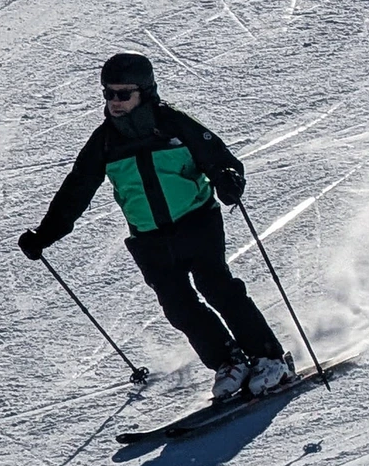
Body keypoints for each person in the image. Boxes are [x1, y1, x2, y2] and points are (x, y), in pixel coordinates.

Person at [19, 54, 294, 403]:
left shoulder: (173, 124)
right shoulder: (104, 142)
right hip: (149, 238)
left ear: (145, 92)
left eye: (123, 94)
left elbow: (218, 157)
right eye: (108, 94)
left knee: (218, 287)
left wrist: (228, 179)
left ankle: (269, 359)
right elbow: (76, 191)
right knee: (178, 306)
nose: (114, 102)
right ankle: (228, 361)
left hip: (197, 221)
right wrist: (45, 234)